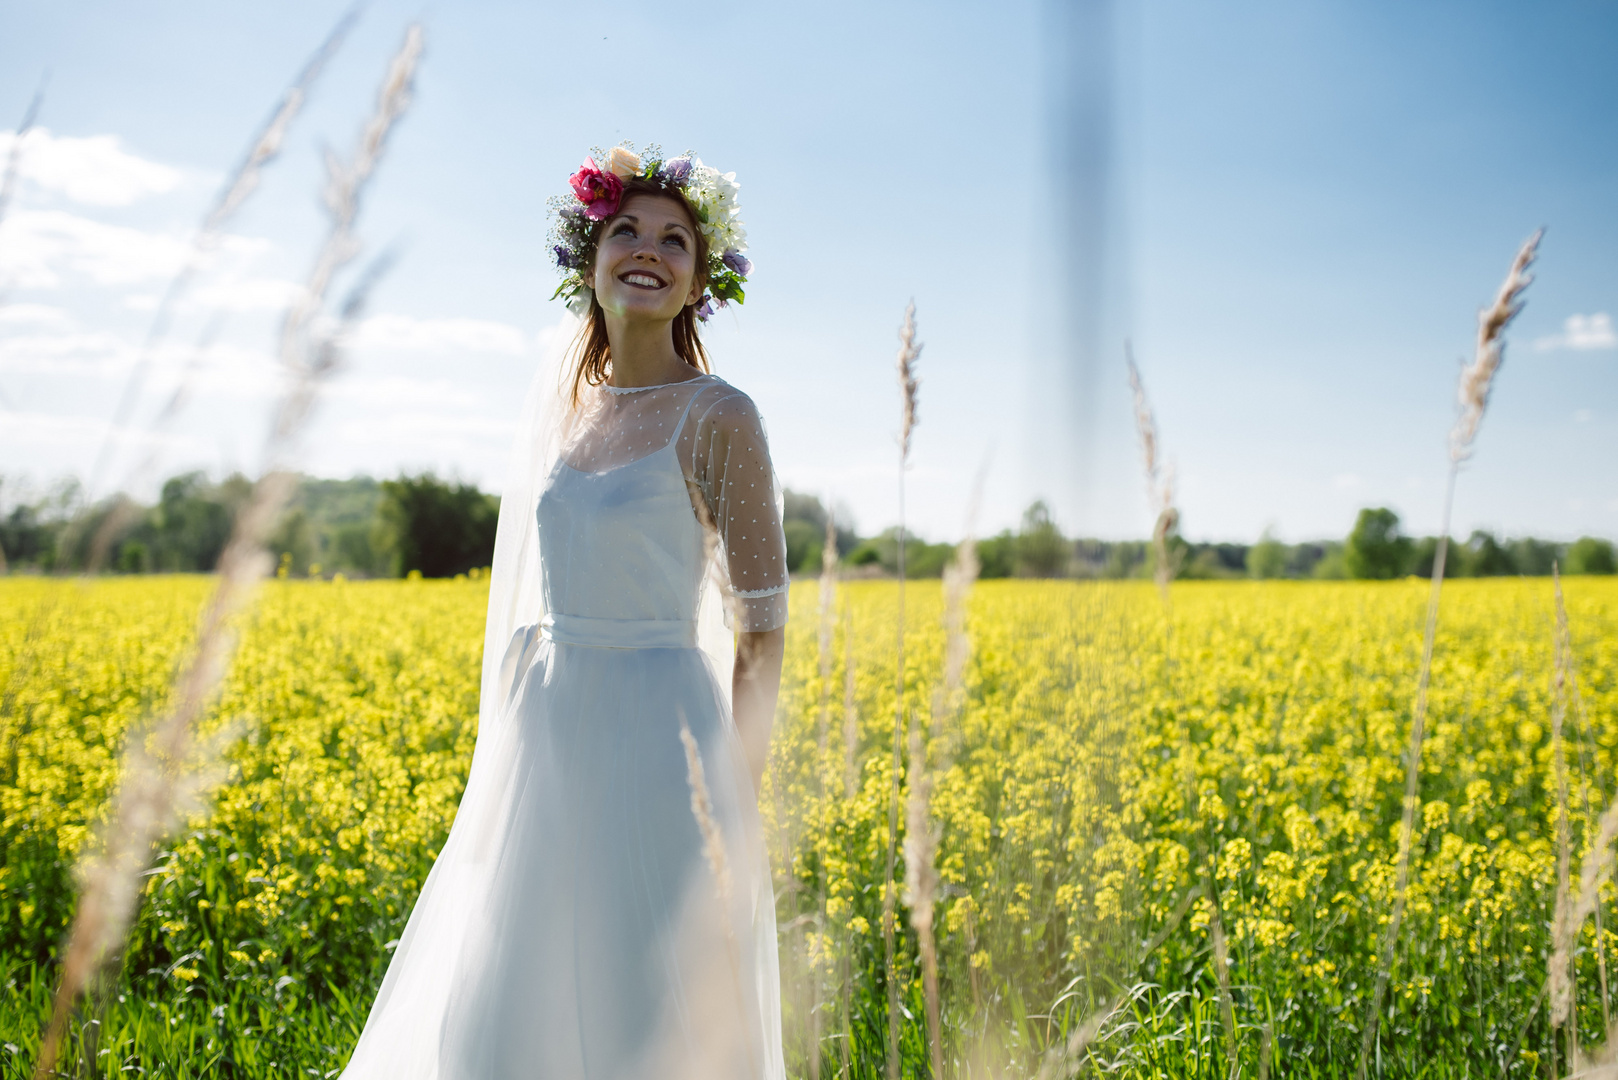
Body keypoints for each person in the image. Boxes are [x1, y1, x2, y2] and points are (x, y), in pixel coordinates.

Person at [340, 144, 788, 1079]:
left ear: (702, 280)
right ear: (588, 259)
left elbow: (761, 630)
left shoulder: (721, 416)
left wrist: (735, 795)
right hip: (546, 731)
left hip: (667, 741)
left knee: (644, 997)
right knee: (514, 988)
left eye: (675, 240)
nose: (647, 250)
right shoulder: (568, 404)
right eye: (625, 228)